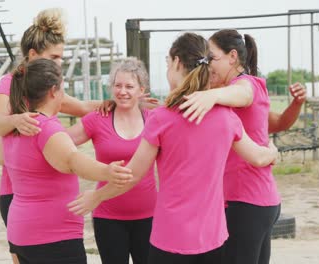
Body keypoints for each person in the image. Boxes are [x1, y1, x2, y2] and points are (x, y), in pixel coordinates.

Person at [68, 32, 278, 264]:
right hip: (213, 240)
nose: (168, 68)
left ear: (177, 62)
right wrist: (273, 150)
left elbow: (132, 175)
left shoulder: (161, 119)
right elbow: (258, 158)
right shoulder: (227, 118)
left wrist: (97, 196)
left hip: (170, 240)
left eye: (168, 62)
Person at [0, 8, 112, 263]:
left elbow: (83, 107)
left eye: (61, 58)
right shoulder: (10, 84)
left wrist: (121, 101)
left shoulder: (48, 89)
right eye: (54, 57)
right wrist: (16, 120)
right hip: (16, 189)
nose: (59, 63)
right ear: (33, 55)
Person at [178, 29, 306, 264]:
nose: (208, 65)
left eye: (212, 58)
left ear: (232, 57)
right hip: (255, 201)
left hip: (246, 201)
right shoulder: (226, 95)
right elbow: (277, 123)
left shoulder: (246, 84)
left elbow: (242, 94)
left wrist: (211, 96)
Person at [0, 58, 133, 264]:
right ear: (52, 91)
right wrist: (107, 172)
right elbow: (72, 160)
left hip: (21, 232)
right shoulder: (45, 127)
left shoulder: (17, 126)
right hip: (52, 238)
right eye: (63, 90)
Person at [65, 57, 156, 264]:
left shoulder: (153, 120)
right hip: (108, 217)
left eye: (129, 86)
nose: (122, 91)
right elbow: (61, 142)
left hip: (149, 216)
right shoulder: (98, 118)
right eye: (118, 85)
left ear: (141, 90)